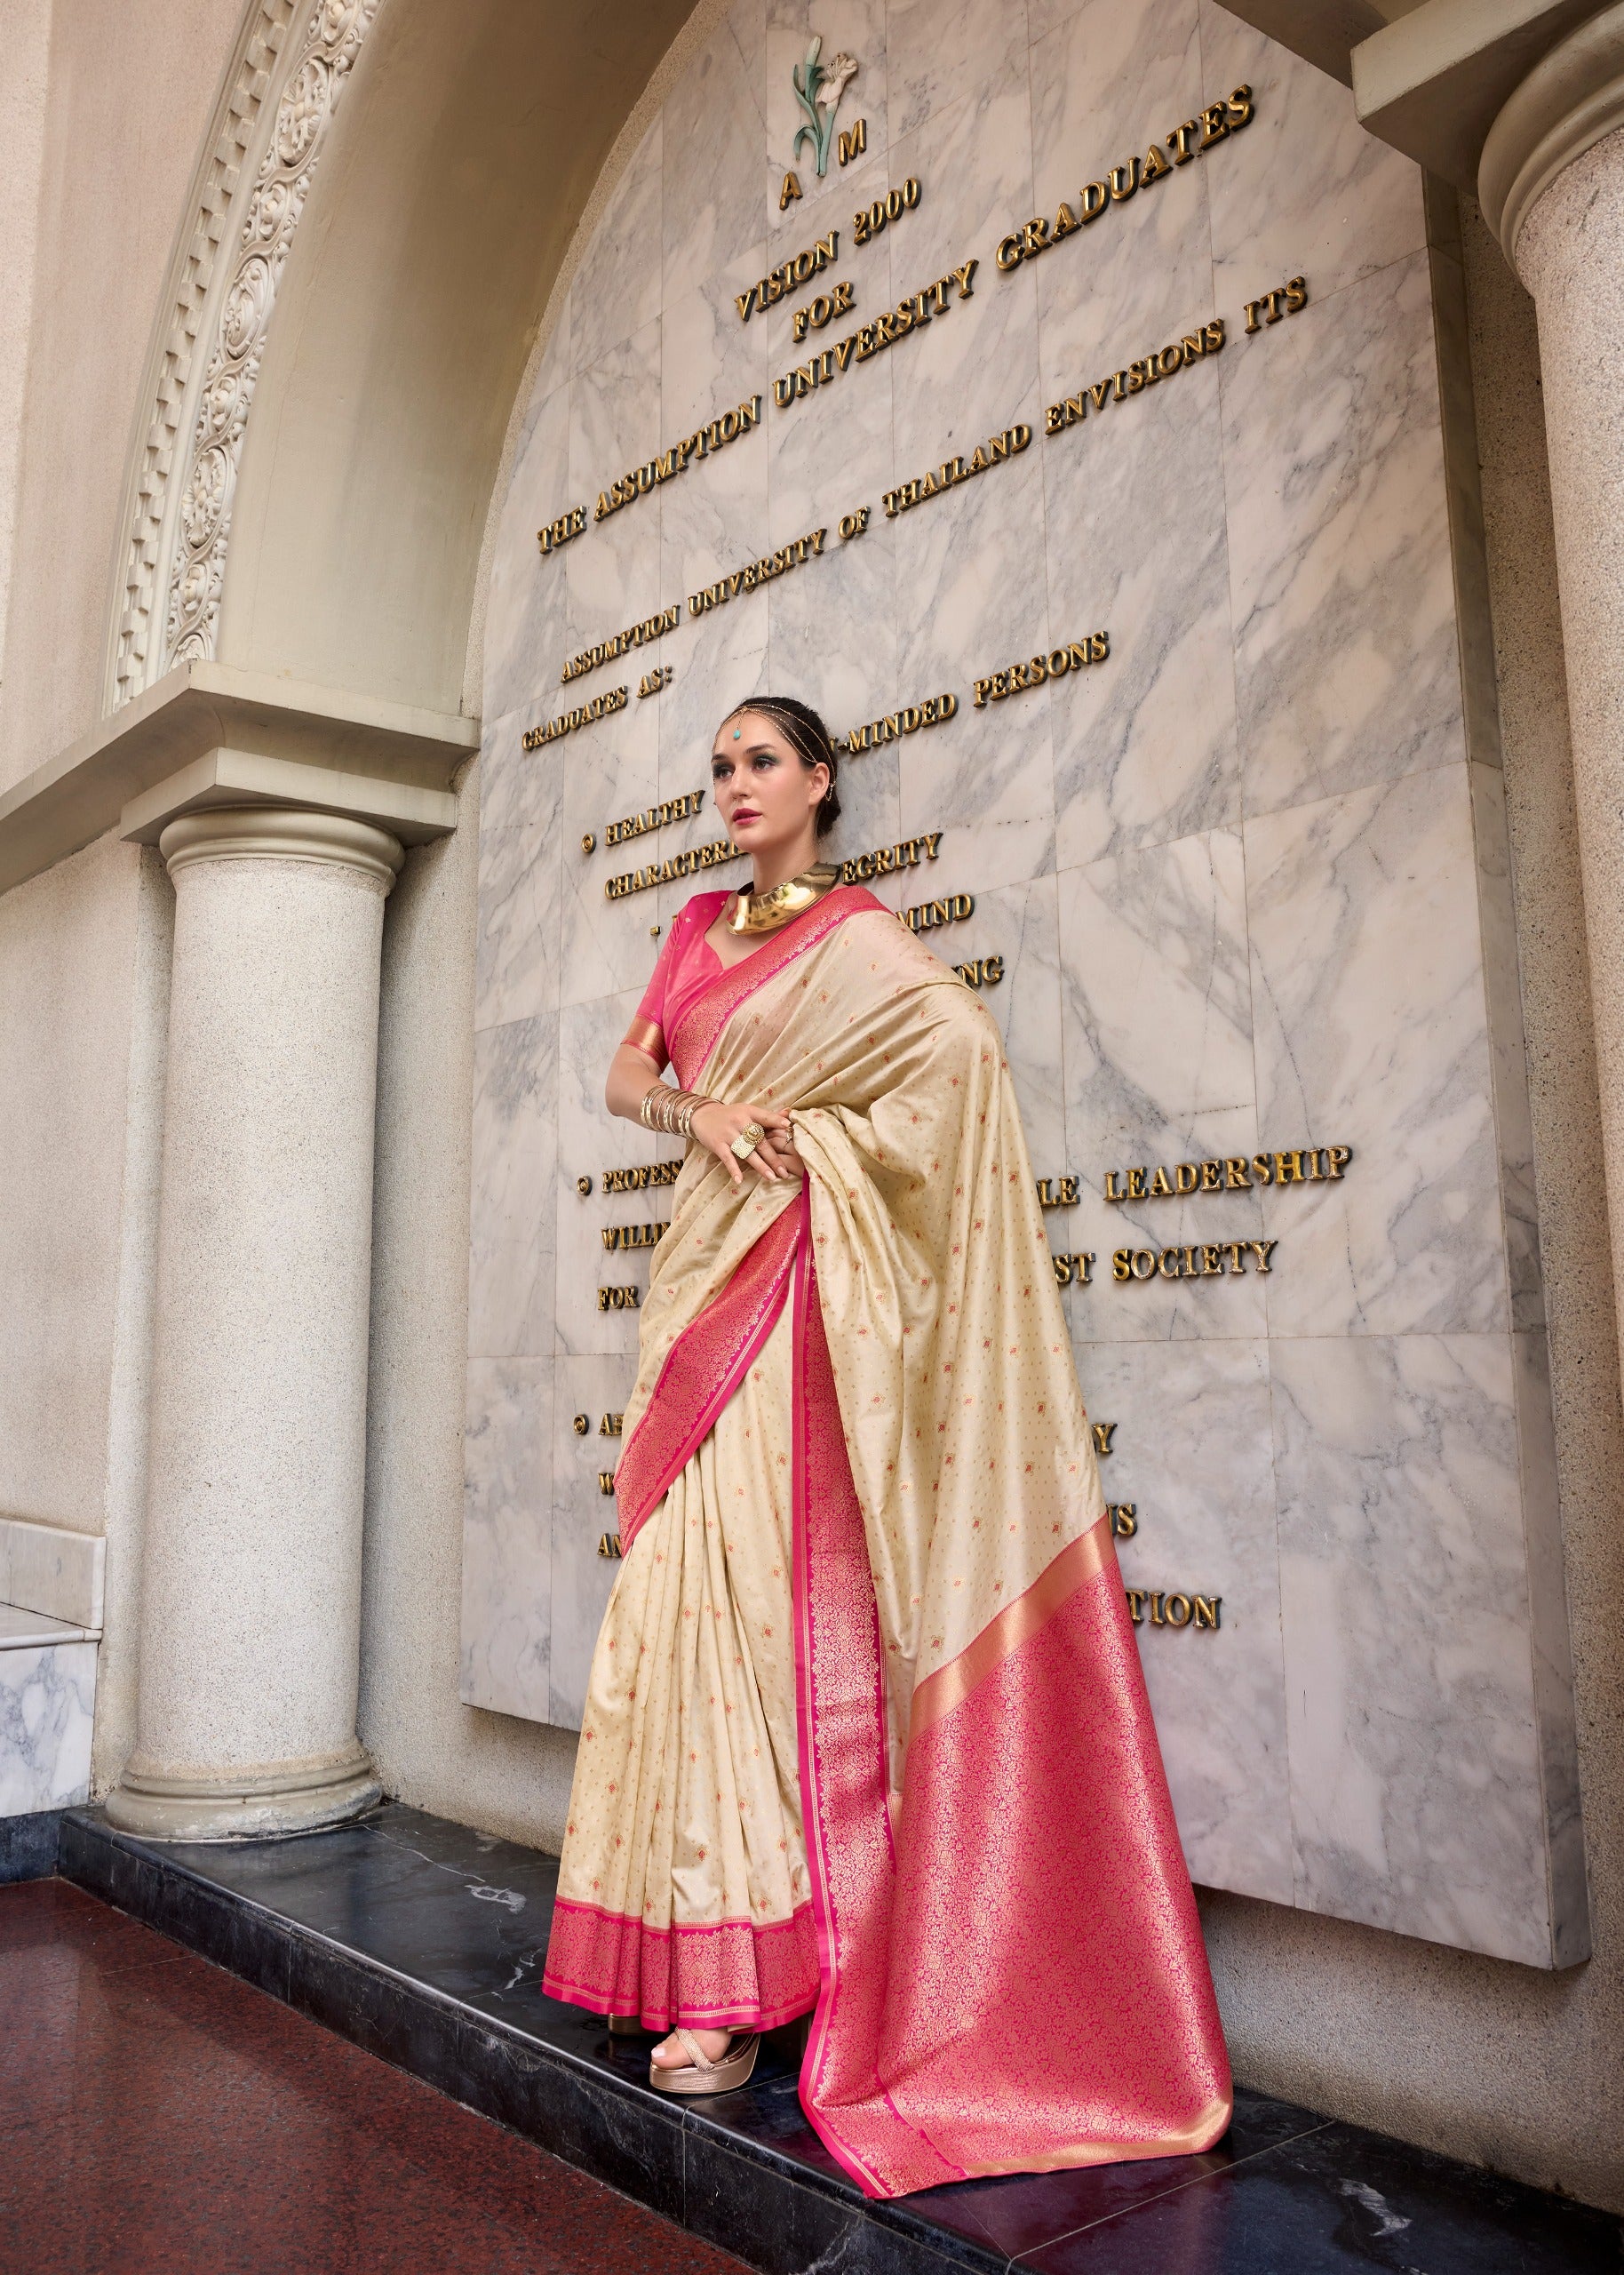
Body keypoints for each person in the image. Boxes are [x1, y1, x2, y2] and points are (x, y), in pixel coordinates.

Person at [543, 693, 1230, 2199]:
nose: (734, 786)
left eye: (760, 763)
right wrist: (699, 1115)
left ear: (820, 780)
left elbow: (960, 1063)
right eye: (718, 768)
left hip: (796, 1301)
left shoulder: (859, 941)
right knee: (676, 1604)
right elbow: (624, 1076)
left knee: (758, 1617)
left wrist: (816, 1145)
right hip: (701, 1285)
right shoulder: (696, 930)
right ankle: (701, 1952)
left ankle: (748, 1989)